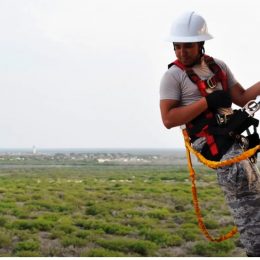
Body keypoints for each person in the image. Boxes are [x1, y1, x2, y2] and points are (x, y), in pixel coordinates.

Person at [159, 11, 260, 257]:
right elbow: (168, 119)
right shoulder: (173, 76)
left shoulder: (218, 67)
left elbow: (243, 98)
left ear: (201, 45)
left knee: (256, 198)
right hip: (214, 144)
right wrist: (207, 102)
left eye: (188, 46)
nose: (182, 52)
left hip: (235, 139)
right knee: (249, 207)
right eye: (178, 47)